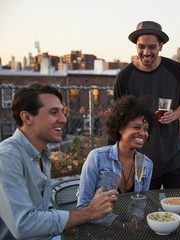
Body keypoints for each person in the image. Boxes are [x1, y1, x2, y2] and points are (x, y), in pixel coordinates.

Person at [0, 83, 119, 239]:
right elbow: (23, 225)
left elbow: (40, 212)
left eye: (63, 112)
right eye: (53, 112)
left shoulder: (42, 155)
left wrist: (66, 226)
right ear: (27, 117)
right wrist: (90, 212)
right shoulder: (7, 157)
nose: (63, 120)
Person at [113, 20, 180, 189]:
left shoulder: (177, 70)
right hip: (140, 160)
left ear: (161, 46)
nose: (146, 52)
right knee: (144, 212)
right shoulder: (124, 76)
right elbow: (116, 120)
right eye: (141, 46)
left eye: (152, 47)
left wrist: (174, 114)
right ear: (136, 46)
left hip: (174, 157)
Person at [77, 95, 156, 208]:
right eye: (136, 127)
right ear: (121, 128)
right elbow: (83, 206)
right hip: (99, 224)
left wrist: (135, 219)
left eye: (146, 129)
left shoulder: (147, 164)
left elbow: (140, 205)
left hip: (131, 225)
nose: (143, 134)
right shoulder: (97, 158)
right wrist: (116, 224)